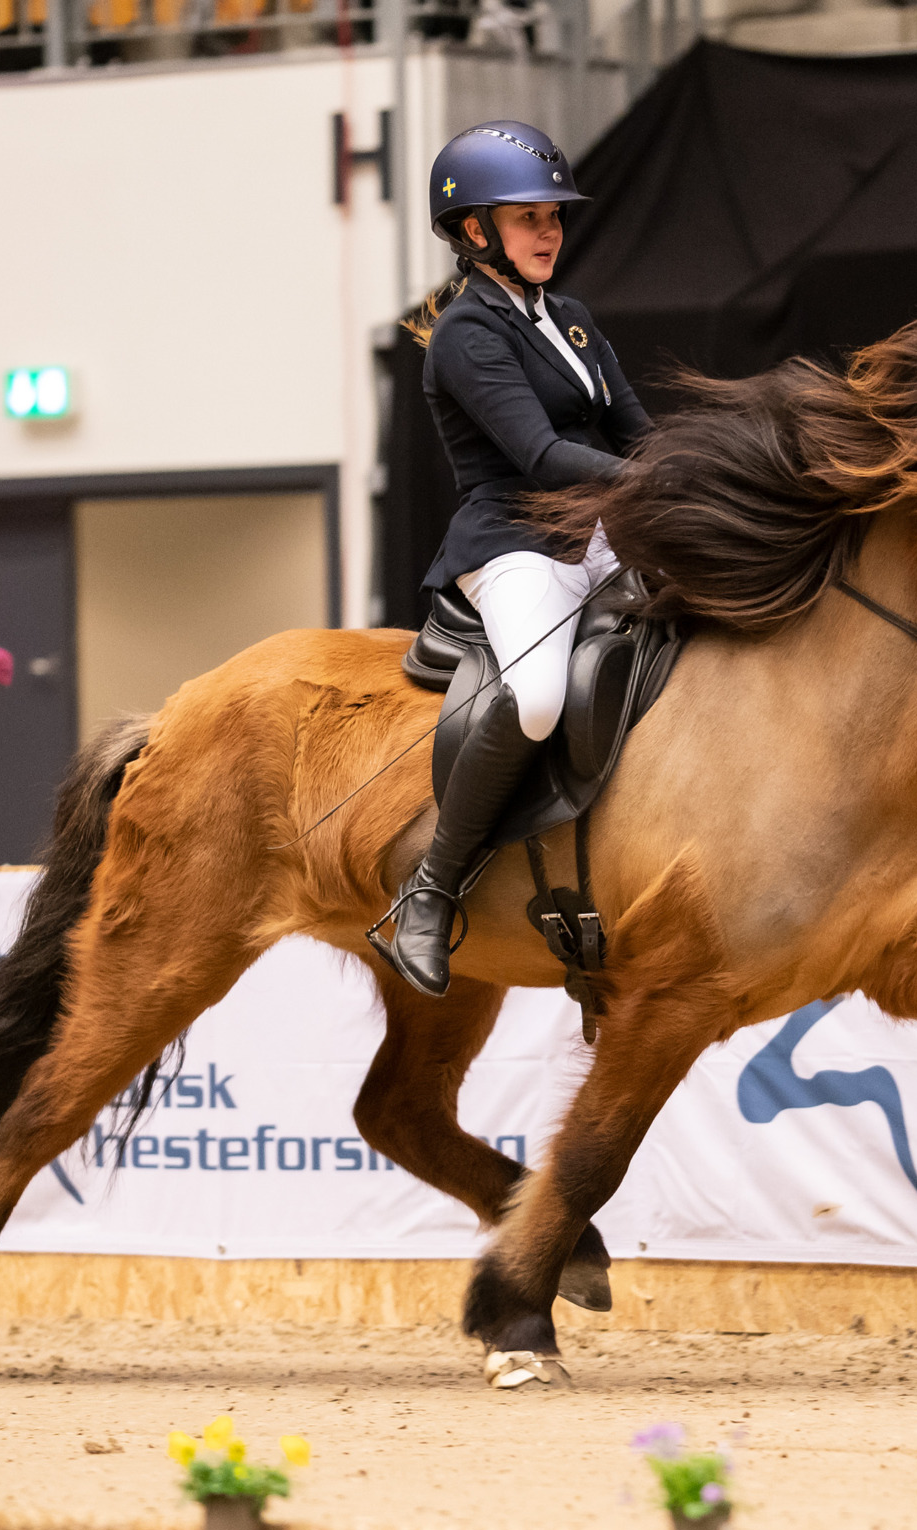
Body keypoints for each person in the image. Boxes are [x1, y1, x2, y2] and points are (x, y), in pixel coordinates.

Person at [372, 120, 652, 999]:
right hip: (517, 544)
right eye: (528, 216)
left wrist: (711, 472)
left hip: (601, 536)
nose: (548, 232)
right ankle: (431, 890)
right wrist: (661, 482)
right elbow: (539, 454)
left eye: (554, 217)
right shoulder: (466, 333)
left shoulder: (571, 320)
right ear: (474, 230)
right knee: (536, 698)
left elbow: (637, 433)